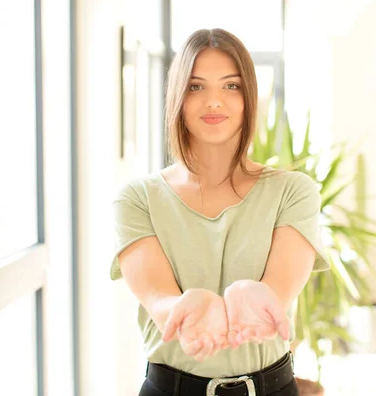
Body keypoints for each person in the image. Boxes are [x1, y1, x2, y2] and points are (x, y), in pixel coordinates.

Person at [110, 28, 330, 396]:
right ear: (178, 98)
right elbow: (159, 301)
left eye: (231, 86)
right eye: (196, 87)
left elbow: (280, 288)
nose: (214, 101)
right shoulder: (138, 199)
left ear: (249, 97)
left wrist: (262, 299)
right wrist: (186, 312)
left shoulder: (293, 192)